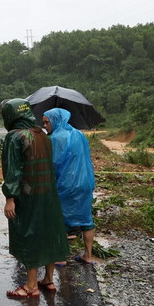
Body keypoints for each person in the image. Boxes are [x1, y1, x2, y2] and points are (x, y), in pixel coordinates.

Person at [0, 99, 69, 298]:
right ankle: (48, 279)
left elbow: (13, 171)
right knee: (49, 233)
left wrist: (10, 198)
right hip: (48, 194)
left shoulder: (15, 137)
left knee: (29, 234)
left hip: (28, 196)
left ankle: (31, 286)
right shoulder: (43, 135)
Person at [42, 108, 96, 265]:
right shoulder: (79, 134)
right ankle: (88, 255)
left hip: (67, 185)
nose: (45, 125)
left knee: (60, 219)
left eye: (47, 121)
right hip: (85, 182)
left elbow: (54, 164)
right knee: (86, 219)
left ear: (56, 120)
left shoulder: (56, 138)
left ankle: (60, 257)